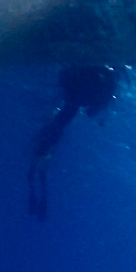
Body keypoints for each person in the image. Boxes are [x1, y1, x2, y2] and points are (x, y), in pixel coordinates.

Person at [28, 65, 118, 220]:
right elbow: (92, 111)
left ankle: (38, 182)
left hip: (72, 99)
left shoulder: (97, 81)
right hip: (76, 100)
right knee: (54, 133)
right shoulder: (107, 82)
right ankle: (38, 183)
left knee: (54, 131)